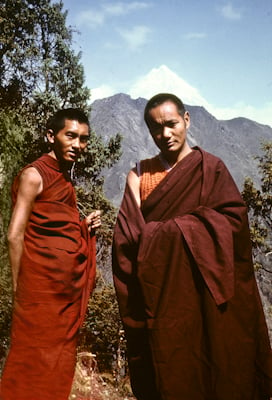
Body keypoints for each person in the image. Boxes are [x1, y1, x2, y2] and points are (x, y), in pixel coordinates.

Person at [112, 93, 272, 400]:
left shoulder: (211, 169)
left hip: (210, 296)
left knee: (219, 370)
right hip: (163, 298)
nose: (165, 134)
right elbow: (127, 239)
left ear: (186, 120)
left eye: (171, 124)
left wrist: (165, 232)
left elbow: (235, 224)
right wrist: (181, 231)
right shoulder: (140, 175)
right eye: (156, 129)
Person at [1, 108, 101, 400]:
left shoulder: (64, 179)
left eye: (83, 139)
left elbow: (57, 229)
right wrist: (21, 287)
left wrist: (84, 227)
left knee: (56, 364)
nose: (77, 145)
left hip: (61, 295)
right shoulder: (34, 175)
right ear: (50, 136)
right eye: (70, 136)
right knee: (30, 363)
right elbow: (14, 235)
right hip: (38, 293)